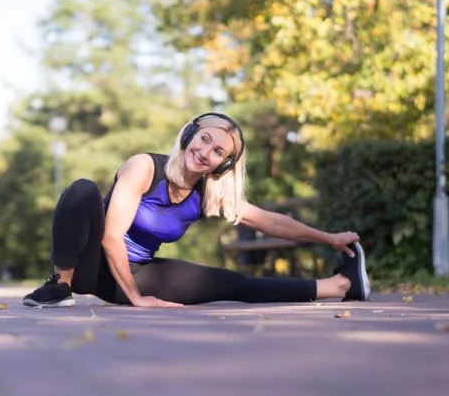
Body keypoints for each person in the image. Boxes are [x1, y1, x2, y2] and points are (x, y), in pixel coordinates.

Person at [23, 113, 370, 309]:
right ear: (190, 135)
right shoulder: (144, 167)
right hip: (92, 263)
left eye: (218, 151)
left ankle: (341, 284)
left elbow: (273, 222)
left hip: (135, 272)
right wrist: (137, 299)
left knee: (234, 283)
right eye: (204, 139)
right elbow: (112, 236)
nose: (206, 152)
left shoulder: (208, 194)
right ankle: (60, 286)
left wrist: (329, 238)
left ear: (223, 164)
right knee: (81, 189)